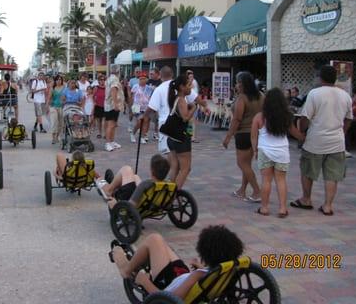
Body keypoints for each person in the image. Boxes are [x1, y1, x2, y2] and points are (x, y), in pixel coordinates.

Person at [111, 225, 244, 298]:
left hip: (168, 283)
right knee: (161, 243)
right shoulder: (224, 270)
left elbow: (172, 299)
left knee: (154, 239)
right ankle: (142, 259)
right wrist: (202, 267)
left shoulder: (198, 275)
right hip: (181, 276)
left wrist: (145, 282)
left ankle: (126, 269)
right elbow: (209, 272)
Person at [290, 65, 353, 216]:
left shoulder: (314, 94)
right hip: (337, 142)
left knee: (307, 170)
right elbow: (349, 119)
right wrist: (342, 133)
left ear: (320, 78)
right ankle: (328, 205)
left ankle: (306, 199)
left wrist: (302, 131)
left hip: (315, 141)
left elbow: (305, 117)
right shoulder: (345, 95)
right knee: (332, 175)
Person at [251, 88, 305, 218]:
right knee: (281, 180)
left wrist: (255, 150)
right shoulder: (286, 117)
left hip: (265, 151)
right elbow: (295, 133)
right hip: (282, 151)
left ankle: (264, 208)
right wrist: (304, 137)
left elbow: (253, 136)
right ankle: (282, 208)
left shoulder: (259, 117)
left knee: (266, 180)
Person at [223, 72, 264, 202]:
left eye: (237, 82)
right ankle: (242, 190)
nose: (236, 85)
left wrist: (228, 136)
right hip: (256, 133)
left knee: (242, 163)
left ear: (241, 83)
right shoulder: (261, 96)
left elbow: (237, 119)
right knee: (247, 164)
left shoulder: (242, 98)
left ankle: (257, 191)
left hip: (243, 133)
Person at [100, 154, 170, 209]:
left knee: (126, 169)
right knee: (135, 176)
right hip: (147, 203)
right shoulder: (168, 186)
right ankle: (115, 184)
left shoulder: (145, 184)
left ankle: (109, 190)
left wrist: (116, 202)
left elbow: (131, 204)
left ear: (152, 171)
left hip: (128, 201)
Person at [165, 75, 198, 188]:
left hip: (172, 138)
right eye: (189, 85)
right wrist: (193, 108)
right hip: (181, 139)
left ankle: (168, 193)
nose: (191, 88)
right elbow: (185, 117)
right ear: (181, 87)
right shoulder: (181, 100)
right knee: (185, 169)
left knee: (176, 167)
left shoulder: (176, 99)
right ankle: (174, 194)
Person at [104, 64, 125, 152]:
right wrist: (116, 104)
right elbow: (113, 91)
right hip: (112, 106)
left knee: (113, 125)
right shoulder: (114, 79)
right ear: (118, 71)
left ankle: (112, 142)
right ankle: (108, 143)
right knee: (111, 124)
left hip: (111, 105)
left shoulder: (110, 78)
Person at [130, 71, 153, 144]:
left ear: (146, 79)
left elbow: (151, 96)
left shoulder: (149, 88)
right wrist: (131, 107)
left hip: (146, 107)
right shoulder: (135, 86)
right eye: (141, 79)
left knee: (145, 122)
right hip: (137, 106)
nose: (142, 80)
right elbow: (132, 96)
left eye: (144, 78)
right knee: (139, 121)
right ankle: (133, 133)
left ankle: (142, 136)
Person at [49, 75, 65, 144]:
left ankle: (57, 137)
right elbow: (49, 98)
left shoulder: (64, 88)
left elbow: (66, 97)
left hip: (61, 107)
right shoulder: (52, 88)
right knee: (54, 122)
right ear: (55, 81)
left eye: (60, 79)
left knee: (61, 123)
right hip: (54, 107)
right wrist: (48, 106)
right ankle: (53, 138)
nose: (59, 81)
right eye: (57, 79)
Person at [186, 70, 200, 143]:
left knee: (193, 121)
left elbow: (196, 92)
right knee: (188, 121)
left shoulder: (195, 82)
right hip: (187, 104)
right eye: (190, 76)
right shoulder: (186, 83)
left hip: (194, 104)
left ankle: (192, 137)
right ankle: (189, 135)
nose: (192, 77)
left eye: (192, 76)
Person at [93, 74, 106, 139]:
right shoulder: (96, 88)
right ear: (98, 81)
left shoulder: (107, 88)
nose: (102, 81)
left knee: (104, 120)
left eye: (104, 80)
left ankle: (104, 133)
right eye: (101, 80)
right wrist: (94, 102)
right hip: (98, 105)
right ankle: (99, 133)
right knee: (99, 121)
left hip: (105, 106)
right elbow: (93, 96)